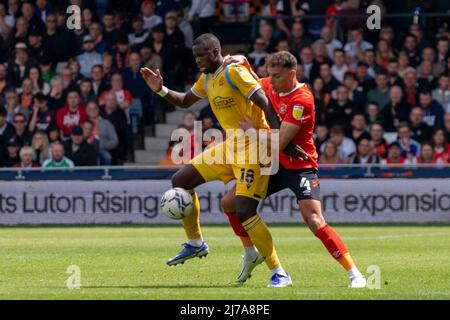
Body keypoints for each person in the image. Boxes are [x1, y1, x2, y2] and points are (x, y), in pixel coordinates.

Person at [140, 34, 297, 287]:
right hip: (231, 145)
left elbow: (264, 101)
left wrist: (279, 137)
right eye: (195, 57)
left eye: (202, 55)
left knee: (244, 209)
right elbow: (184, 101)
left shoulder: (235, 73)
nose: (198, 61)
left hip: (255, 148)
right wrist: (160, 89)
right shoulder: (208, 78)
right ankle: (195, 243)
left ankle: (279, 272)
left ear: (215, 51)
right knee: (180, 180)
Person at [220, 51, 367, 288]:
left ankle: (355, 274)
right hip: (272, 164)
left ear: (292, 74)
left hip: (300, 166)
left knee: (314, 219)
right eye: (271, 76)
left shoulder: (302, 100)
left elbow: (281, 141)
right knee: (230, 203)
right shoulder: (272, 83)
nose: (272, 82)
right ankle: (251, 252)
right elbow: (254, 83)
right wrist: (244, 61)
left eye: (277, 77)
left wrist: (251, 132)